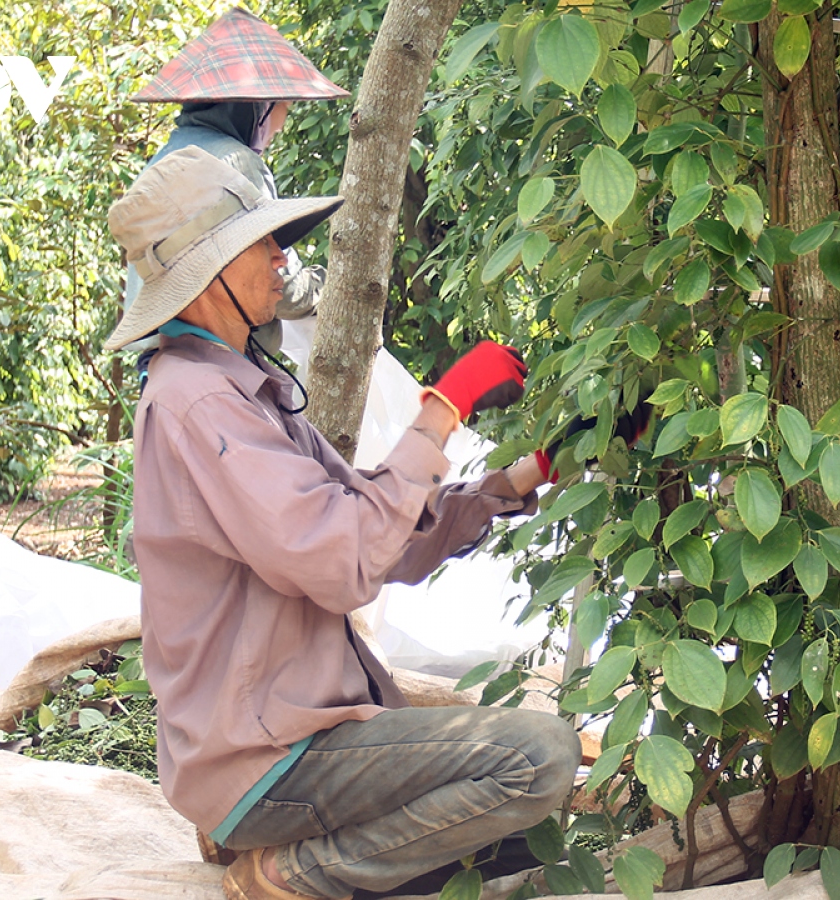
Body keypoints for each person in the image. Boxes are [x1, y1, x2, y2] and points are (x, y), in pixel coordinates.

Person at [103, 146, 580, 900]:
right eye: (260, 241)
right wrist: (440, 411)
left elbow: (378, 532)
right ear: (210, 270)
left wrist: (528, 477)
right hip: (269, 756)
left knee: (527, 839)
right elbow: (344, 558)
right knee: (540, 757)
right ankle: (290, 871)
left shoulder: (243, 390)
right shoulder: (199, 403)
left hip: (292, 738)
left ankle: (259, 836)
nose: (278, 255)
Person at [125, 6, 347, 363]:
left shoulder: (166, 157)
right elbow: (277, 284)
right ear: (259, 109)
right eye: (284, 108)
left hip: (163, 359)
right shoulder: (238, 164)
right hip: (216, 359)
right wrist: (325, 288)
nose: (281, 125)